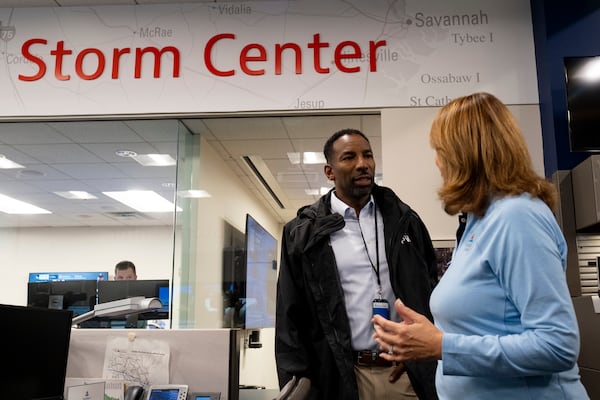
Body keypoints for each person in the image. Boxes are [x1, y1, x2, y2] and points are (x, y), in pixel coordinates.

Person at [372, 92, 590, 399]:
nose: (436, 161)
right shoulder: (479, 220)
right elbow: (486, 324)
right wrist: (427, 339)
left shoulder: (517, 217)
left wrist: (442, 345)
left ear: (465, 153)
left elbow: (557, 345)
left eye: (440, 150)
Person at [275, 128, 439, 400]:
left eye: (368, 156)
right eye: (349, 157)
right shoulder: (303, 232)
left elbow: (430, 289)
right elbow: (290, 316)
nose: (362, 164)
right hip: (342, 376)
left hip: (405, 374)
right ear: (330, 171)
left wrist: (424, 356)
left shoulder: (404, 220)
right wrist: (298, 384)